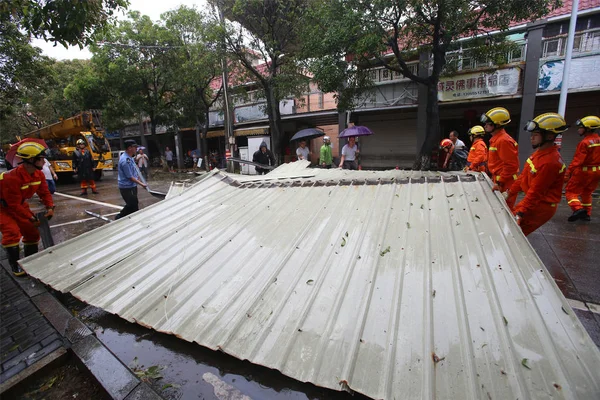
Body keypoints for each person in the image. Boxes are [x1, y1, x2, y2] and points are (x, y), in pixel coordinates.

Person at [505, 113, 568, 236]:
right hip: (534, 202)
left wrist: (521, 212)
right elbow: (523, 176)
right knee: (510, 231)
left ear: (549, 136)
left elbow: (536, 192)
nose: (531, 138)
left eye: (536, 135)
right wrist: (509, 192)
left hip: (540, 207)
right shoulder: (540, 154)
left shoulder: (550, 162)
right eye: (532, 135)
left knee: (513, 236)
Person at [0, 142, 55, 276]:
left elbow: (44, 192)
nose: (44, 161)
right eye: (41, 158)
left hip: (19, 204)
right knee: (12, 233)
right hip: (3, 207)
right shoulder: (11, 178)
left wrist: (50, 207)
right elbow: (13, 205)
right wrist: (31, 217)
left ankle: (31, 263)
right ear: (31, 160)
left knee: (32, 232)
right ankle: (16, 266)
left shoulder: (38, 175)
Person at [564, 116, 600, 222]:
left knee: (570, 192)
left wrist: (568, 173)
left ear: (588, 129)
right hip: (597, 171)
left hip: (584, 171)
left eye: (581, 127)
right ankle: (587, 213)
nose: (578, 129)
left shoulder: (585, 143)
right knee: (587, 193)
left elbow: (577, 160)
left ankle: (578, 209)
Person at [481, 107, 519, 193]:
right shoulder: (497, 139)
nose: (485, 125)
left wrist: (500, 182)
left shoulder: (503, 141)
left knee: (502, 206)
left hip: (505, 182)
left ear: (497, 125)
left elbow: (511, 165)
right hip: (500, 179)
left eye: (488, 123)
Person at [116, 140, 147, 220]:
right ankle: (119, 217)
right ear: (129, 148)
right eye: (135, 147)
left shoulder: (130, 158)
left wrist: (138, 177)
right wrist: (141, 183)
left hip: (131, 186)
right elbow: (129, 176)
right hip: (126, 187)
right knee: (132, 205)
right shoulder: (125, 160)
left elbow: (134, 170)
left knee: (133, 205)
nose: (136, 149)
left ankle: (127, 219)